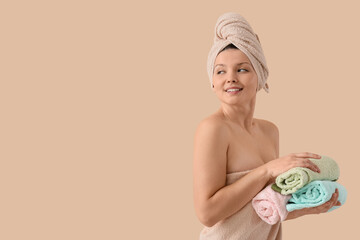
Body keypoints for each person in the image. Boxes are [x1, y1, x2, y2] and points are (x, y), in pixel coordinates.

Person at [193, 13, 341, 240]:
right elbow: (207, 213)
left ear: (260, 76)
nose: (230, 78)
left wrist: (308, 208)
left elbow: (263, 207)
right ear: (212, 82)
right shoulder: (213, 129)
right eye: (220, 71)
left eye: (242, 69)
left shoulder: (270, 131)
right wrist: (268, 170)